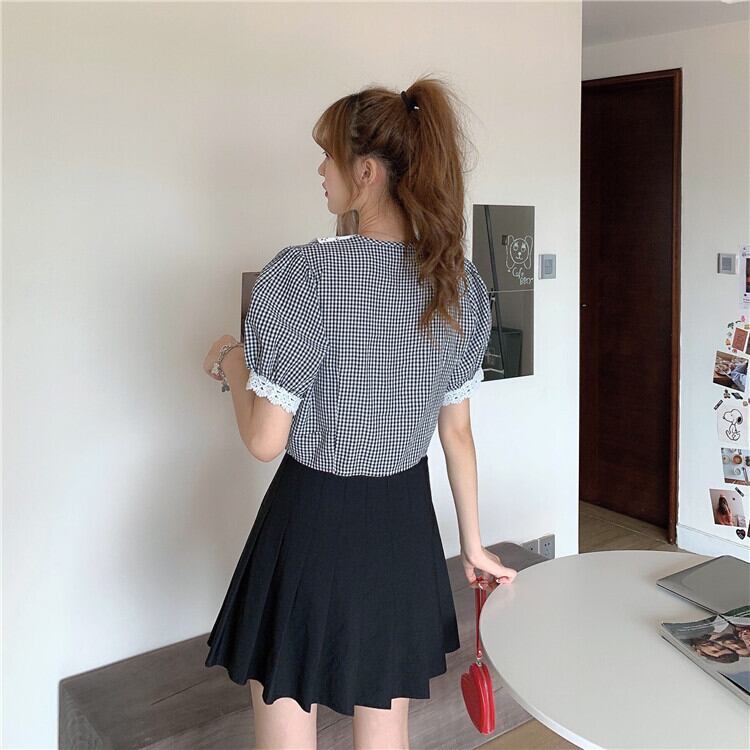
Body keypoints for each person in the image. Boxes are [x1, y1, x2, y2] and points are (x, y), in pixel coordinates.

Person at [201, 75, 518, 750]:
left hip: (312, 523)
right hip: (404, 527)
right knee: (385, 728)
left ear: (366, 173)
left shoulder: (301, 276)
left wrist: (232, 361)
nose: (320, 171)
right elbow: (457, 433)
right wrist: (473, 544)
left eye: (328, 157)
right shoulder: (459, 285)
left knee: (287, 709)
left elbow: (264, 441)